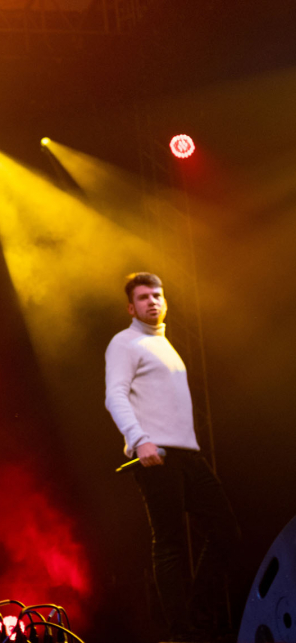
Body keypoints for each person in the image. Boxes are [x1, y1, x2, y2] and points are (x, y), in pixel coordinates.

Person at [104, 273, 238, 642]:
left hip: (187, 455)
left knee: (225, 532)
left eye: (157, 295)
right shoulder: (125, 343)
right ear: (131, 308)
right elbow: (114, 395)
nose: (152, 301)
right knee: (170, 542)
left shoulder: (165, 344)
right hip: (156, 455)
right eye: (143, 297)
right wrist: (139, 439)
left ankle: (195, 615)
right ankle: (182, 632)